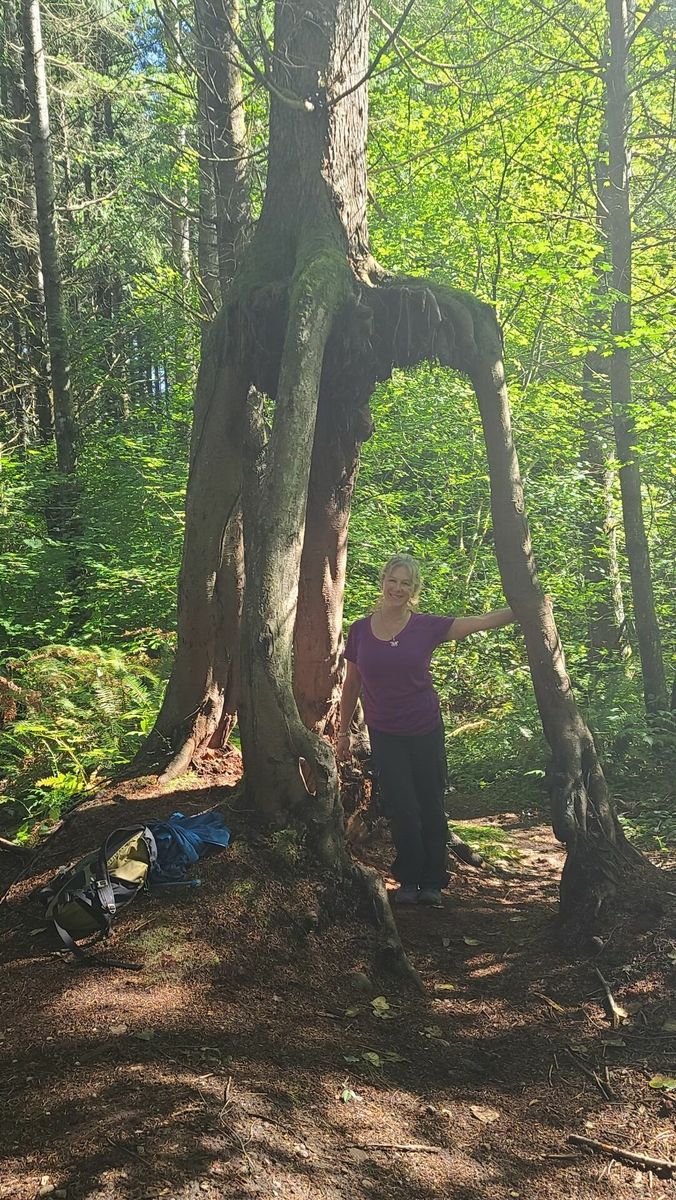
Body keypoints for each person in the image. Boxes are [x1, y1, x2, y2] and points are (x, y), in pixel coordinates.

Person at [337, 553, 518, 908]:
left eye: (406, 583)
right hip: (385, 732)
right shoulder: (360, 630)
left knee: (430, 803)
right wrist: (343, 732)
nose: (397, 588)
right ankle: (409, 878)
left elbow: (479, 622)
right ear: (383, 582)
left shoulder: (426, 626)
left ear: (414, 590)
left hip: (424, 728)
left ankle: (433, 880)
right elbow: (351, 684)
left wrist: (524, 608)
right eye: (393, 580)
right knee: (402, 806)